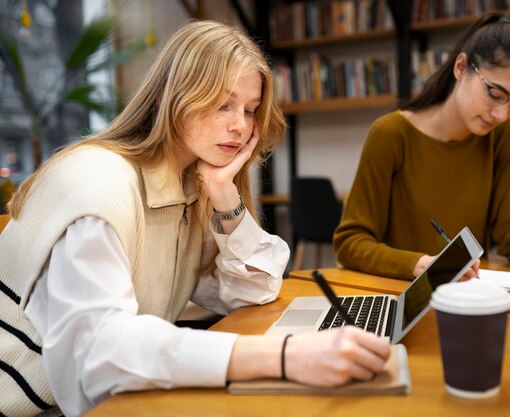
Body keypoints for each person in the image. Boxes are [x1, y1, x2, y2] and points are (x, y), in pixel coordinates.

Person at [0, 20, 390, 417]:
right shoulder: (100, 183)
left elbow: (253, 291)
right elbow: (100, 353)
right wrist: (285, 355)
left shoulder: (188, 187)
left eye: (251, 110)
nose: (240, 125)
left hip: (105, 396)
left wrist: (224, 194)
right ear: (173, 97)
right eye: (223, 104)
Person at [333, 12, 510, 294]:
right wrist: (418, 264)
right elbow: (351, 241)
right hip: (399, 298)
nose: (502, 114)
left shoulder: (502, 133)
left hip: (469, 298)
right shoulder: (391, 134)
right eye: (495, 93)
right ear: (461, 67)